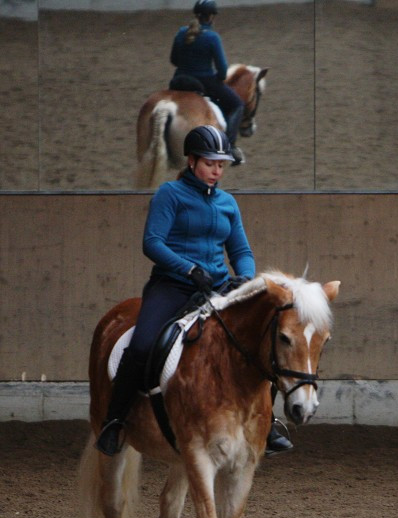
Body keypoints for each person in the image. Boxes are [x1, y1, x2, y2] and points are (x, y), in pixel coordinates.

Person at [96, 125, 292, 457]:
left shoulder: (228, 203)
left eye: (221, 165)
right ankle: (115, 420)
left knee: (260, 340)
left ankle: (267, 420)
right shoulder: (169, 195)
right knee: (142, 345)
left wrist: (243, 278)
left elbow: (241, 251)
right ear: (191, 161)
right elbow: (152, 243)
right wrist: (187, 268)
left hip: (217, 288)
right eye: (209, 164)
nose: (216, 171)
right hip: (173, 286)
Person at [170, 0, 246, 166]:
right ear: (211, 17)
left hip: (178, 81)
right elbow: (223, 70)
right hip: (204, 82)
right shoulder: (212, 37)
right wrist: (218, 77)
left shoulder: (181, 32)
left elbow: (174, 60)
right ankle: (230, 147)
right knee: (237, 105)